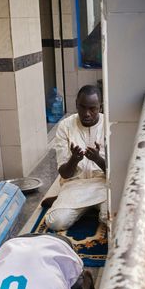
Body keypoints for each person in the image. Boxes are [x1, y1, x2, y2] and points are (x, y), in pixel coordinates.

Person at [44, 85, 107, 231]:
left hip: (103, 184)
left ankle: (68, 202)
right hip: (75, 185)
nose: (87, 113)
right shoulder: (65, 126)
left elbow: (116, 174)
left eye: (93, 109)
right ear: (76, 105)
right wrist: (74, 159)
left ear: (100, 107)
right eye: (82, 107)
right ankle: (66, 199)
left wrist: (98, 159)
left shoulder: (109, 124)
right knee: (55, 222)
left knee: (111, 218)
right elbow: (65, 174)